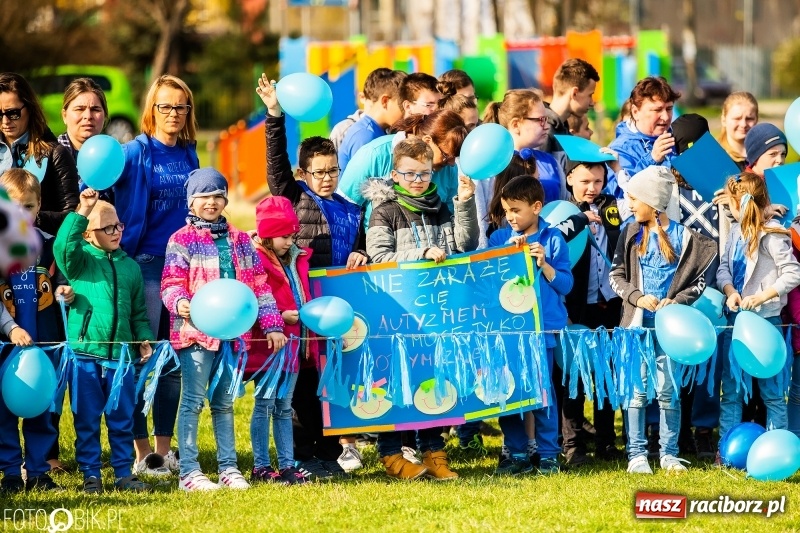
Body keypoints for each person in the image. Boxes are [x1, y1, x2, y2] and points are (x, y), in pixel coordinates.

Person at [257, 75, 362, 480]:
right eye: (319, 172)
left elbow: (364, 243)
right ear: (304, 173)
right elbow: (275, 163)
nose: (327, 178)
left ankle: (330, 447)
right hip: (301, 302)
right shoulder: (294, 196)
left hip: (339, 303)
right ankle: (303, 451)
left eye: (333, 170)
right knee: (301, 376)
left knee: (329, 377)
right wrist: (273, 115)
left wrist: (362, 250)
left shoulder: (351, 208)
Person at [161, 167, 286, 492]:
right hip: (195, 335)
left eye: (217, 196)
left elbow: (259, 287)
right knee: (192, 401)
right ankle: (189, 471)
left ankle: (229, 468)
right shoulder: (181, 240)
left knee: (224, 403)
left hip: (234, 338)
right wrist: (180, 303)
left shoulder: (241, 240)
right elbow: (171, 283)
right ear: (191, 202)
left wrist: (272, 325)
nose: (212, 202)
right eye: (204, 197)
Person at [363, 137, 477, 479]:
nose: (418, 180)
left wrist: (466, 203)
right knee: (396, 380)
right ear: (395, 175)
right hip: (397, 312)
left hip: (435, 313)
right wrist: (420, 254)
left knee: (432, 378)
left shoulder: (441, 205)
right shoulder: (385, 212)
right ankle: (391, 454)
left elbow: (464, 244)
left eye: (424, 174)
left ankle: (433, 451)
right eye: (410, 174)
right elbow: (378, 258)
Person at [114, 75, 200, 475]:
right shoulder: (134, 152)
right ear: (152, 110)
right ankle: (140, 451)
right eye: (166, 106)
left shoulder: (189, 153)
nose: (174, 114)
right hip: (145, 264)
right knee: (140, 358)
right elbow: (99, 189)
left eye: (181, 107)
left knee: (172, 362)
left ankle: (163, 453)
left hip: (184, 268)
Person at [609, 166, 716, 475]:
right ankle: (637, 454)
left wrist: (676, 301)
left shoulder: (685, 237)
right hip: (637, 328)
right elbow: (616, 276)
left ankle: (669, 453)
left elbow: (697, 282)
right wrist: (637, 297)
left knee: (667, 391)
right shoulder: (629, 234)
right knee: (637, 392)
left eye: (634, 199)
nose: (629, 205)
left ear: (653, 203)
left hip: (670, 332)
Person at [54, 188, 154, 493]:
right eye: (107, 227)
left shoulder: (130, 267)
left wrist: (144, 339)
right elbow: (62, 245)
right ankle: (91, 474)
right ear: (87, 234)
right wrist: (82, 211)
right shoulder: (79, 263)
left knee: (122, 416)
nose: (116, 232)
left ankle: (124, 473)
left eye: (118, 226)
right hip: (85, 355)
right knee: (86, 419)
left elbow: (138, 312)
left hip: (121, 358)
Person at [488, 175, 571, 475]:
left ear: (536, 207)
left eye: (516, 210)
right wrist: (507, 256)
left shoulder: (553, 239)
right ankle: (517, 452)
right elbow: (490, 284)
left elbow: (566, 285)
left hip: (544, 330)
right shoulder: (498, 239)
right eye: (506, 210)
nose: (510, 217)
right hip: (509, 331)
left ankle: (548, 453)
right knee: (508, 391)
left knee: (542, 392)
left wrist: (544, 265)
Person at [0, 169, 74, 493]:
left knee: (42, 409)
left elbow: (59, 280)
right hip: (6, 347)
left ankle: (39, 471)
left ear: (39, 204)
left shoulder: (48, 245)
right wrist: (11, 328)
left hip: (45, 345)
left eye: (28, 206)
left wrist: (65, 291)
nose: (22, 214)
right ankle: (11, 473)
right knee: (3, 411)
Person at [716, 172, 800, 455]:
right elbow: (723, 269)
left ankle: (778, 451)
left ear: (739, 204)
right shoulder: (735, 234)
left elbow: (793, 273)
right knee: (731, 390)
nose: (728, 209)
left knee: (773, 392)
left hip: (767, 322)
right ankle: (725, 449)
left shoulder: (774, 235)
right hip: (736, 322)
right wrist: (730, 291)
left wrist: (764, 295)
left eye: (730, 204)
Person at [557, 159, 624, 465]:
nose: (592, 188)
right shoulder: (561, 210)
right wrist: (578, 221)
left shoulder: (612, 207)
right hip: (576, 307)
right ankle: (573, 444)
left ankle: (607, 441)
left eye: (598, 181)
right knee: (573, 377)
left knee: (606, 374)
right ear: (569, 178)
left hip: (610, 304)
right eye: (584, 181)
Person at [247, 195, 315, 485]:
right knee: (265, 403)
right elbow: (254, 299)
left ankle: (288, 464)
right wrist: (279, 316)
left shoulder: (297, 257)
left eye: (291, 235)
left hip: (294, 342)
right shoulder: (255, 258)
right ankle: (261, 465)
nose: (289, 241)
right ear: (267, 234)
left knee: (285, 406)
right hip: (270, 343)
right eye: (283, 236)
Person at [338, 109, 468, 228]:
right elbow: (343, 210)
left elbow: (452, 222)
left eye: (455, 157)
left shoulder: (449, 169)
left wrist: (465, 203)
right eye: (446, 155)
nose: (451, 163)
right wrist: (357, 251)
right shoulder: (375, 154)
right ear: (428, 141)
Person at [476, 89, 562, 240]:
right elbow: (483, 219)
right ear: (516, 124)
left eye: (547, 119)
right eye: (540, 120)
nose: (547, 126)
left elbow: (564, 203)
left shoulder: (550, 162)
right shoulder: (493, 166)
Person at [0, 72, 79, 235]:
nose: (5, 121)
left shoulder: (56, 154)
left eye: (12, 113)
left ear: (29, 109)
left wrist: (29, 216)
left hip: (40, 252)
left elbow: (72, 218)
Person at [338, 68, 406, 172]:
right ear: (385, 101)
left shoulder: (380, 130)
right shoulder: (364, 135)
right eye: (403, 105)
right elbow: (361, 185)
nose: (407, 111)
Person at [609, 77, 681, 175]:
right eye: (657, 110)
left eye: (669, 109)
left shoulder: (678, 136)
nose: (666, 117)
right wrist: (652, 159)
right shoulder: (620, 150)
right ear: (635, 112)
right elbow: (621, 188)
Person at [542, 59, 600, 172]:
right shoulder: (544, 131)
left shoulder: (562, 128)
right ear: (574, 93)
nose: (592, 102)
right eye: (590, 95)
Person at [57, 77, 107, 159]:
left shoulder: (114, 156)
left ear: (105, 115)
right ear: (64, 115)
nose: (88, 116)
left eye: (95, 109)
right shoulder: (49, 158)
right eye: (79, 109)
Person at [718, 92, 759, 170]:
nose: (743, 124)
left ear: (756, 120)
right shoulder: (714, 156)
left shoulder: (764, 155)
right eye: (737, 118)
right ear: (723, 120)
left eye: (749, 119)